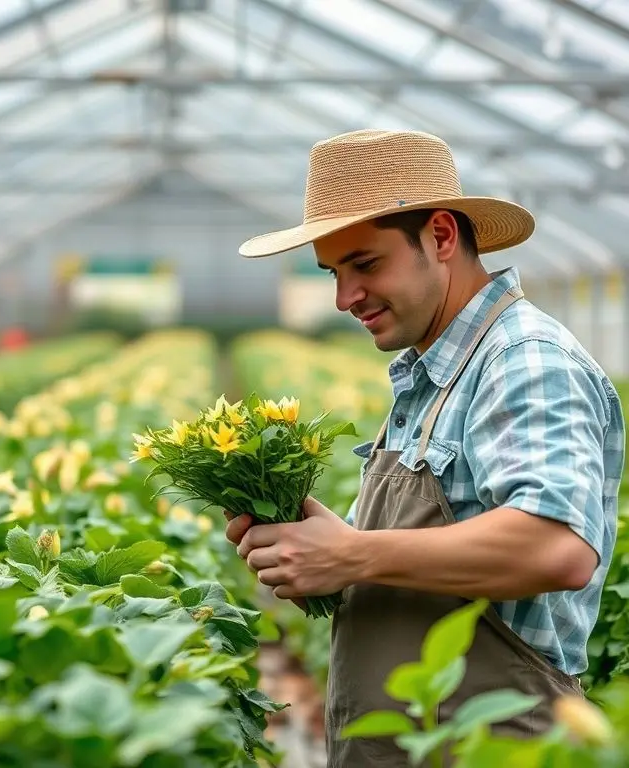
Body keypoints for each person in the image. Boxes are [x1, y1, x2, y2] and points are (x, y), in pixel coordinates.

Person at [225, 129, 625, 766]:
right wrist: (323, 556)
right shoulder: (435, 369)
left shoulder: (521, 361)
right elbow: (421, 558)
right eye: (333, 272)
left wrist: (355, 554)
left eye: (365, 264)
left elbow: (558, 547)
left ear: (440, 237)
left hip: (491, 748)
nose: (344, 297)